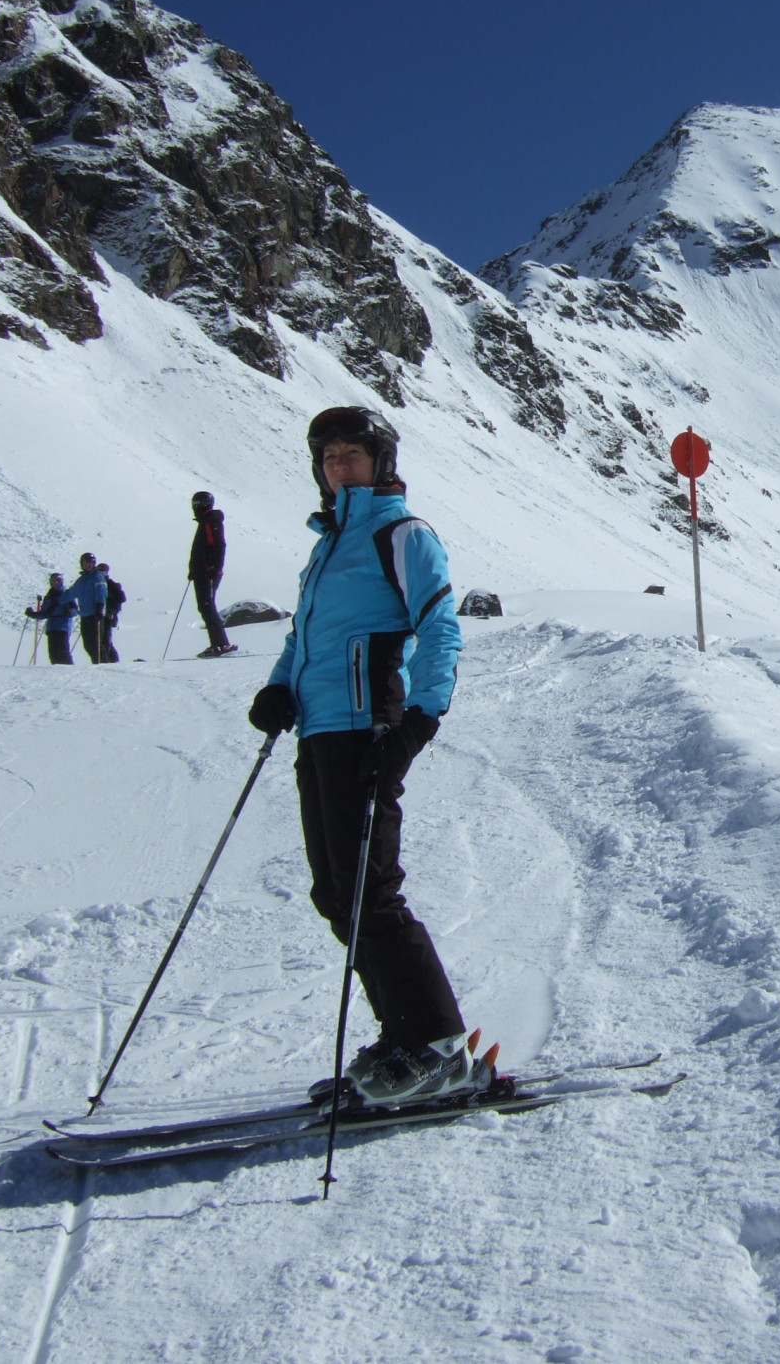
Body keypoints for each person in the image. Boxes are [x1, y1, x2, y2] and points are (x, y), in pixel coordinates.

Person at [248, 405, 471, 1105]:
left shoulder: (400, 533)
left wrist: (419, 721)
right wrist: (279, 689)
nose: (338, 466)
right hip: (318, 731)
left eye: (351, 453)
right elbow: (305, 638)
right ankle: (402, 1035)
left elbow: (440, 628)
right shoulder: (327, 546)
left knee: (371, 894)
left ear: (381, 460)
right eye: (328, 456)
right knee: (335, 893)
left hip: (367, 732)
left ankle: (438, 1045)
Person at [190, 491, 236, 657]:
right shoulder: (206, 521)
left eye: (196, 504)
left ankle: (221, 645)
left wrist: (213, 568)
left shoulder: (211, 521)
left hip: (207, 573)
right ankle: (218, 644)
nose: (194, 507)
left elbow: (218, 545)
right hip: (203, 572)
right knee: (205, 607)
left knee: (207, 607)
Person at [65, 553, 108, 665]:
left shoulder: (97, 576)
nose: (89, 565)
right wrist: (58, 601)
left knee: (96, 643)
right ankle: (96, 663)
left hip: (95, 614)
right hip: (85, 615)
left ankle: (103, 664)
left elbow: (101, 591)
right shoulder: (82, 580)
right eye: (86, 563)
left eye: (91, 563)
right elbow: (71, 593)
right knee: (88, 644)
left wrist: (99, 606)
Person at [26, 573, 76, 664]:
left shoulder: (66, 594)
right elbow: (44, 613)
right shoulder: (49, 597)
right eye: (54, 581)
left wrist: (70, 612)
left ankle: (68, 670)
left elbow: (75, 609)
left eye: (58, 581)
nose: (56, 583)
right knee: (53, 653)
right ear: (51, 582)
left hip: (62, 627)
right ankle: (56, 671)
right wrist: (33, 614)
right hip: (52, 628)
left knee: (63, 652)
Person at [98, 563, 125, 662]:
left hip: (109, 615)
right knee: (101, 639)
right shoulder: (99, 584)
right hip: (101, 615)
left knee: (105, 639)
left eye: (102, 571)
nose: (100, 573)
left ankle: (111, 660)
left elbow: (121, 598)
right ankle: (107, 659)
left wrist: (112, 609)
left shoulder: (110, 584)